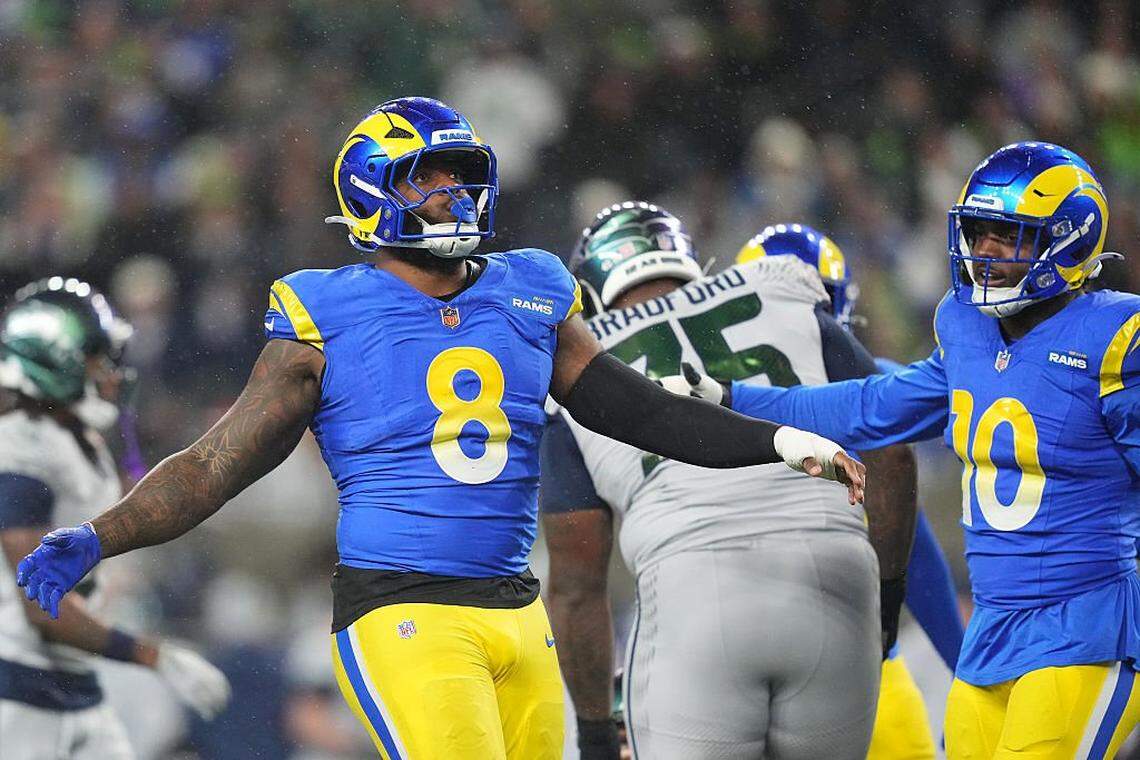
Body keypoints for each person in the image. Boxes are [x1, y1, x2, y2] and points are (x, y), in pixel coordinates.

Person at [15, 97, 864, 760]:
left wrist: (776, 440)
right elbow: (213, 466)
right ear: (374, 191)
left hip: (517, 609)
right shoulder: (325, 314)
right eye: (429, 177)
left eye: (461, 175)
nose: (454, 192)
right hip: (403, 608)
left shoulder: (528, 289)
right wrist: (99, 536)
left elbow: (635, 409)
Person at [675, 142, 1140, 758]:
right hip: (993, 636)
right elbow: (871, 408)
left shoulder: (1117, 337)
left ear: (1069, 239)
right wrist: (737, 398)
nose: (986, 253)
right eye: (978, 234)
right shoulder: (965, 324)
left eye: (1008, 235)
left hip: (1086, 629)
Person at [542, 201, 915, 760]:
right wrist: (885, 595)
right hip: (837, 578)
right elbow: (893, 448)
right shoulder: (779, 291)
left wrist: (596, 732)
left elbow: (576, 586)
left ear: (590, 293)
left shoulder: (574, 358)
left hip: (694, 591)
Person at [737, 224, 967, 759]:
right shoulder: (714, 406)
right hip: (818, 660)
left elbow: (917, 550)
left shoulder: (703, 400)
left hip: (796, 654)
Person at [0, 278, 231, 759]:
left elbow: (131, 498)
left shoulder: (70, 438)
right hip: (17, 691)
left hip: (66, 682)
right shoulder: (22, 449)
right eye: (97, 359)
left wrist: (122, 428)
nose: (111, 373)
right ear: (56, 363)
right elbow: (38, 601)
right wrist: (152, 655)